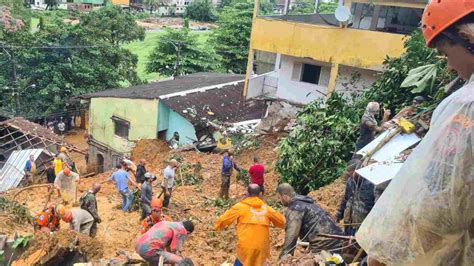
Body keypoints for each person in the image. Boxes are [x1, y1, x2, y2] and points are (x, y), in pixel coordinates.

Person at [357, 3, 474, 266]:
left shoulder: (464, 106)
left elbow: (440, 201)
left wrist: (384, 252)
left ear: (466, 38)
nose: (450, 67)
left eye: (445, 54)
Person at [215, 184, 285, 266]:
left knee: (242, 261)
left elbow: (222, 221)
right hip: (261, 249)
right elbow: (282, 222)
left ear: (247, 194)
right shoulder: (267, 209)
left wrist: (218, 227)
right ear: (260, 194)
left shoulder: (240, 207)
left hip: (245, 248)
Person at [277, 183, 344, 261]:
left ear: (284, 196)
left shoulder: (295, 209)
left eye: (279, 197)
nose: (280, 200)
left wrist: (283, 258)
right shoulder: (307, 202)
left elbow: (292, 235)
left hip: (323, 244)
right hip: (339, 239)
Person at [335, 160, 374, 236]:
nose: (350, 174)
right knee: (347, 241)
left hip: (361, 223)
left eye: (351, 172)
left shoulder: (371, 184)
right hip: (349, 222)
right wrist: (339, 214)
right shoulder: (350, 181)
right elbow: (345, 199)